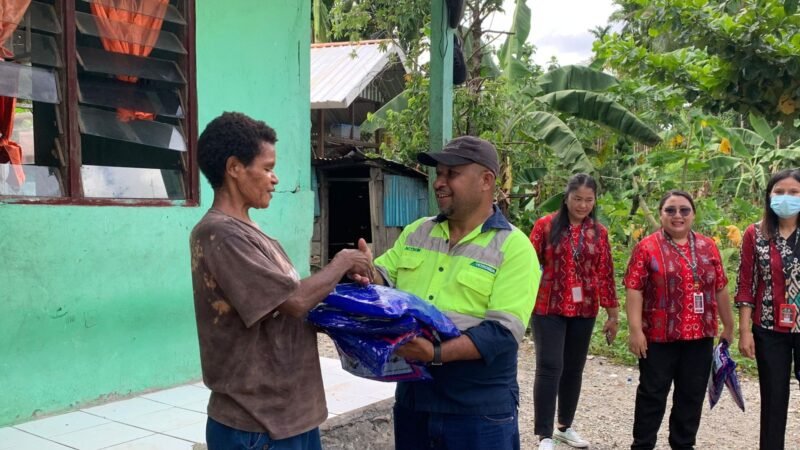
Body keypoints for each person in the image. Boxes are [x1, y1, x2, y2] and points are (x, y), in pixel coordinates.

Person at [189, 112, 372, 450]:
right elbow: (294, 301)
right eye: (267, 167)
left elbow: (291, 303)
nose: (274, 179)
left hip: (289, 416)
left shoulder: (250, 231)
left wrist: (344, 289)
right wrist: (341, 261)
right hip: (256, 425)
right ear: (234, 168)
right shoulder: (220, 234)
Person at [357, 136, 541, 450]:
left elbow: (502, 333)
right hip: (414, 400)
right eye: (438, 174)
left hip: (477, 410)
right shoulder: (419, 231)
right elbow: (383, 279)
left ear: (486, 180)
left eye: (451, 174)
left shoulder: (513, 247)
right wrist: (364, 270)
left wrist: (435, 354)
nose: (439, 183)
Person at [624, 190, 734, 450]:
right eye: (670, 210)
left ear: (693, 214)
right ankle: (642, 445)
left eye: (684, 210)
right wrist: (635, 329)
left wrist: (729, 325)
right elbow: (634, 288)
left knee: (691, 395)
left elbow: (720, 287)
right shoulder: (647, 247)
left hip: (700, 336)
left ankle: (683, 445)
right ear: (661, 214)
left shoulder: (708, 246)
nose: (677, 215)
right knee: (652, 394)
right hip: (658, 336)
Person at [528, 173, 619, 450]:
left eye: (588, 200)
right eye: (577, 199)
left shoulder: (599, 232)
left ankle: (564, 427)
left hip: (585, 308)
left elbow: (605, 274)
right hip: (548, 305)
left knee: (574, 369)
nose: (582, 205)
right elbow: (528, 267)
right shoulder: (545, 226)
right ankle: (544, 434)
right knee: (549, 366)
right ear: (566, 198)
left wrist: (613, 314)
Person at [735, 169, 800, 450]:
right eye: (780, 192)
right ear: (769, 196)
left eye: (794, 192)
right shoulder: (755, 234)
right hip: (768, 329)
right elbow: (746, 283)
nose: (786, 198)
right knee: (773, 399)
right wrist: (744, 330)